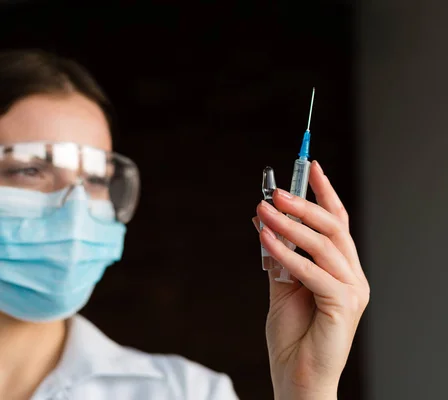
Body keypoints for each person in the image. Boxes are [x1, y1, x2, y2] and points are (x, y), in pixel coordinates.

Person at [0, 49, 370, 400]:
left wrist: (306, 390)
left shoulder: (184, 393)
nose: (76, 209)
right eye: (30, 170)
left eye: (97, 179)